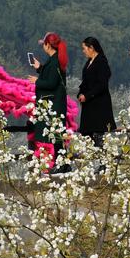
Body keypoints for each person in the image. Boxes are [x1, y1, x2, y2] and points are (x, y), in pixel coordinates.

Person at [28, 32, 69, 173]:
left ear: (47, 45)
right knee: (57, 133)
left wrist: (36, 81)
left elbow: (51, 83)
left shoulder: (55, 61)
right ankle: (62, 163)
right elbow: (52, 77)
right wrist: (40, 68)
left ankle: (55, 164)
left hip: (52, 104)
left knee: (52, 134)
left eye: (44, 44)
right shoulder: (54, 60)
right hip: (56, 103)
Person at [77, 37, 116, 147]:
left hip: (99, 105)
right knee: (87, 136)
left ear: (91, 48)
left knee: (98, 137)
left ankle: (103, 163)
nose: (83, 51)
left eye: (84, 48)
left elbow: (102, 84)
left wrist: (88, 95)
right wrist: (80, 93)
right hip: (89, 104)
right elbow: (85, 81)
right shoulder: (89, 62)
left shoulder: (101, 62)